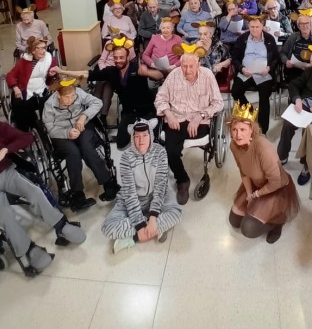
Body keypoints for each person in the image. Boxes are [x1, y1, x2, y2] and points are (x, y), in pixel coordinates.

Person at [0, 98, 86, 276]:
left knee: (34, 191)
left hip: (6, 173)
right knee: (5, 214)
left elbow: (27, 137)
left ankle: (60, 225)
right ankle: (25, 250)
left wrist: (5, 150)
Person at [101, 118, 182, 253]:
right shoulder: (126, 157)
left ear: (151, 136)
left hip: (157, 196)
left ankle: (133, 238)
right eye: (137, 136)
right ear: (132, 138)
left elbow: (160, 187)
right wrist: (139, 224)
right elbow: (130, 194)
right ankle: (154, 229)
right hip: (133, 200)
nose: (141, 140)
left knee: (176, 213)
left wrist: (153, 217)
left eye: (144, 135)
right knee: (107, 227)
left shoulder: (160, 152)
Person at [155, 52, 223, 204]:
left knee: (179, 143)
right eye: (184, 66)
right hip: (177, 119)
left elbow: (218, 102)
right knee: (170, 151)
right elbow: (160, 98)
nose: (187, 70)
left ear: (198, 65)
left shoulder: (207, 75)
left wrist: (200, 116)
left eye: (191, 66)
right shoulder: (174, 75)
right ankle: (182, 180)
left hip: (200, 121)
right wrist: (169, 115)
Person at [42, 79, 119, 210]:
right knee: (73, 152)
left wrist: (84, 116)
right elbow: (49, 128)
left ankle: (108, 183)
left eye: (73, 96)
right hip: (61, 133)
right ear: (58, 95)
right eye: (66, 97)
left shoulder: (78, 93)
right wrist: (67, 133)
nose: (70, 100)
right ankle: (77, 194)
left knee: (86, 147)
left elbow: (97, 102)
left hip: (82, 126)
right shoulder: (49, 105)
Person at [229, 103, 299, 244]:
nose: (238, 135)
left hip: (275, 187)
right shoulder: (234, 145)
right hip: (256, 183)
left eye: (243, 129)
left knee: (248, 229)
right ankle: (259, 212)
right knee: (234, 221)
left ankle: (277, 223)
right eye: (234, 129)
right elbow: (243, 171)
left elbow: (276, 182)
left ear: (251, 130)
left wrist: (256, 195)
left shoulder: (263, 147)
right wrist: (249, 193)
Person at [89, 39, 157, 148]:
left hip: (146, 111)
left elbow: (159, 75)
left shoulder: (137, 67)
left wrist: (148, 72)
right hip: (128, 113)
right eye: (115, 58)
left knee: (148, 143)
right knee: (120, 144)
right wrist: (64, 72)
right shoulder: (112, 71)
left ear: (128, 57)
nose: (118, 60)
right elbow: (89, 75)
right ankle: (133, 132)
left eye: (121, 57)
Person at [230, 16, 279, 135]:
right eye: (252, 27)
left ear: (262, 27)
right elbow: (235, 58)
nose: (254, 29)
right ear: (249, 26)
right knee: (235, 91)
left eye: (257, 27)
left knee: (264, 97)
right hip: (246, 72)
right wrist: (241, 68)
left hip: (263, 74)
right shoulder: (242, 38)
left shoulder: (269, 39)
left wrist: (269, 68)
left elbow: (276, 58)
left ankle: (262, 130)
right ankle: (251, 110)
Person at [6, 36, 59, 131]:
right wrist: (15, 87)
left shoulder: (50, 59)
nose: (44, 51)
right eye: (41, 48)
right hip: (24, 91)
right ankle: (26, 131)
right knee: (21, 107)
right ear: (33, 50)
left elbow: (52, 79)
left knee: (47, 103)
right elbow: (10, 75)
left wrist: (52, 75)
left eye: (44, 48)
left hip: (42, 91)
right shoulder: (24, 61)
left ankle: (44, 128)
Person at [94, 35, 137, 126]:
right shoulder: (109, 43)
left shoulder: (128, 45)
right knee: (99, 86)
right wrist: (105, 72)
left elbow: (132, 60)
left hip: (117, 72)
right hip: (106, 70)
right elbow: (101, 61)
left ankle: (103, 116)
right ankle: (94, 113)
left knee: (107, 89)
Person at [280, 13, 312, 82]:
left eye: (307, 23)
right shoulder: (293, 37)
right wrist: (286, 61)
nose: (304, 26)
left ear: (311, 25)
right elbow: (282, 53)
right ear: (298, 26)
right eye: (301, 24)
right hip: (294, 69)